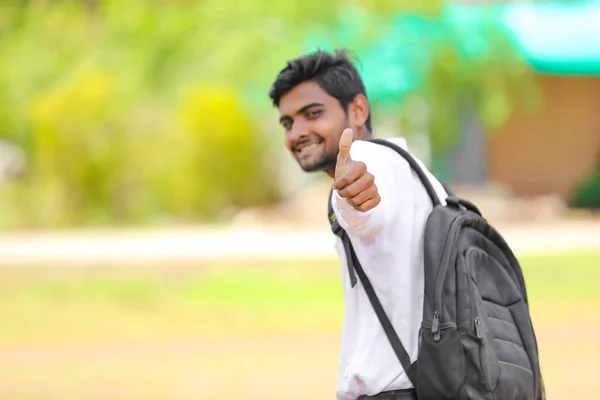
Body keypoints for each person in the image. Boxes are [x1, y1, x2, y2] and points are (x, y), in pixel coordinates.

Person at [268, 48, 448, 400]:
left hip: (397, 390)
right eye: (288, 123)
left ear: (358, 110)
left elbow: (365, 207)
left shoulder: (370, 162)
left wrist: (354, 196)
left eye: (312, 113)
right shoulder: (416, 172)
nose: (297, 133)